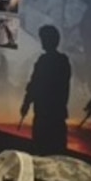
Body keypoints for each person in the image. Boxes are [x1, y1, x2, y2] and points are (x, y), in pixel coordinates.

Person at [19, 25, 71, 156]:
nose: (42, 41)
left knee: (43, 150)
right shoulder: (62, 61)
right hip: (55, 115)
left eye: (44, 38)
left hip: (46, 116)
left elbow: (34, 85)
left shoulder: (45, 61)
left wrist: (26, 103)